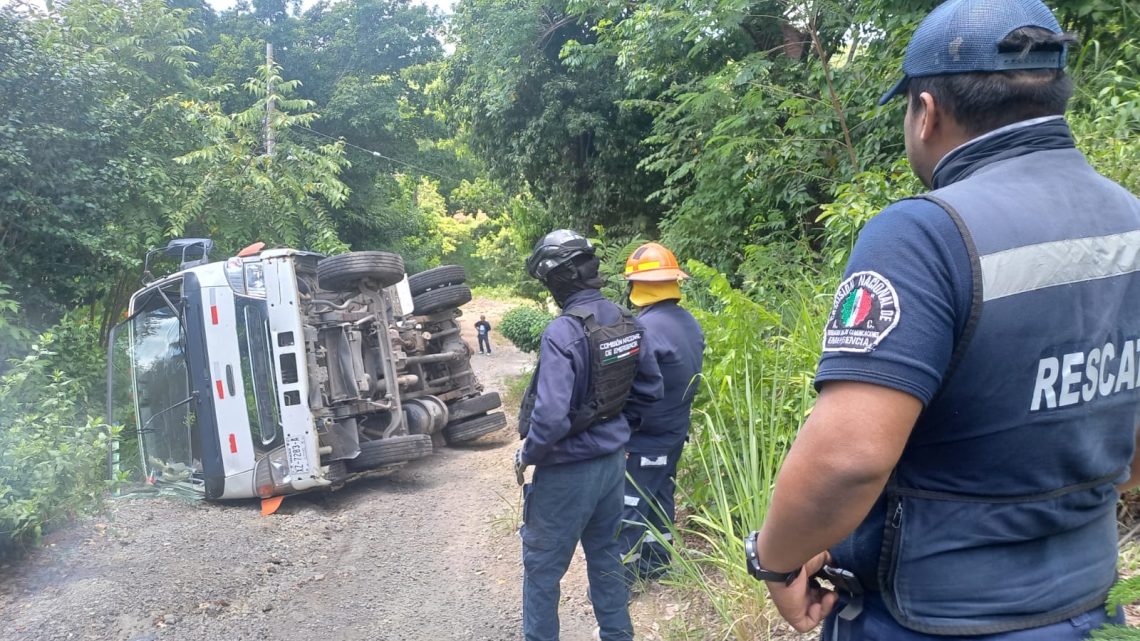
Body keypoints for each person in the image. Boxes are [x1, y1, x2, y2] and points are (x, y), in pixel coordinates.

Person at [744, 0, 1140, 639]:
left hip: (933, 620)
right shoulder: (1133, 222)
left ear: (926, 111)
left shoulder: (924, 236)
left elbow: (848, 457)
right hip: (1090, 611)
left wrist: (775, 559)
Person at [515, 229, 663, 641]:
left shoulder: (562, 332)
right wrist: (615, 429)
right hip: (612, 467)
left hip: (566, 471)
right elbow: (651, 390)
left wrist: (529, 453)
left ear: (556, 279)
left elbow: (548, 419)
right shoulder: (625, 320)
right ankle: (618, 634)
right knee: (606, 557)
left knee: (543, 569)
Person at [616, 242, 704, 587]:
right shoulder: (689, 322)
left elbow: (635, 391)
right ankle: (656, 567)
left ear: (634, 287)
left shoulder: (645, 330)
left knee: (628, 507)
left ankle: (618, 581)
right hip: (673, 432)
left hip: (646, 438)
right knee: (659, 498)